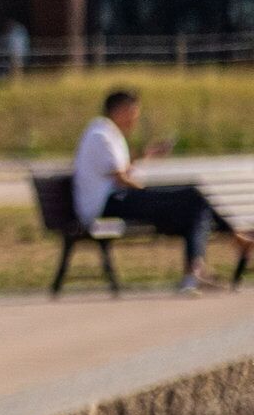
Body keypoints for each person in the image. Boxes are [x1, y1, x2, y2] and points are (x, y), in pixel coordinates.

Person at [76, 87, 227, 293]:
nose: (135, 119)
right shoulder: (101, 134)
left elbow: (119, 169)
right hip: (107, 205)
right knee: (192, 196)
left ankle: (194, 272)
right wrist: (149, 192)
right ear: (121, 110)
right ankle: (230, 241)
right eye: (134, 112)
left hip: (117, 200)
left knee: (193, 208)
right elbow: (122, 180)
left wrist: (147, 156)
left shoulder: (107, 132)